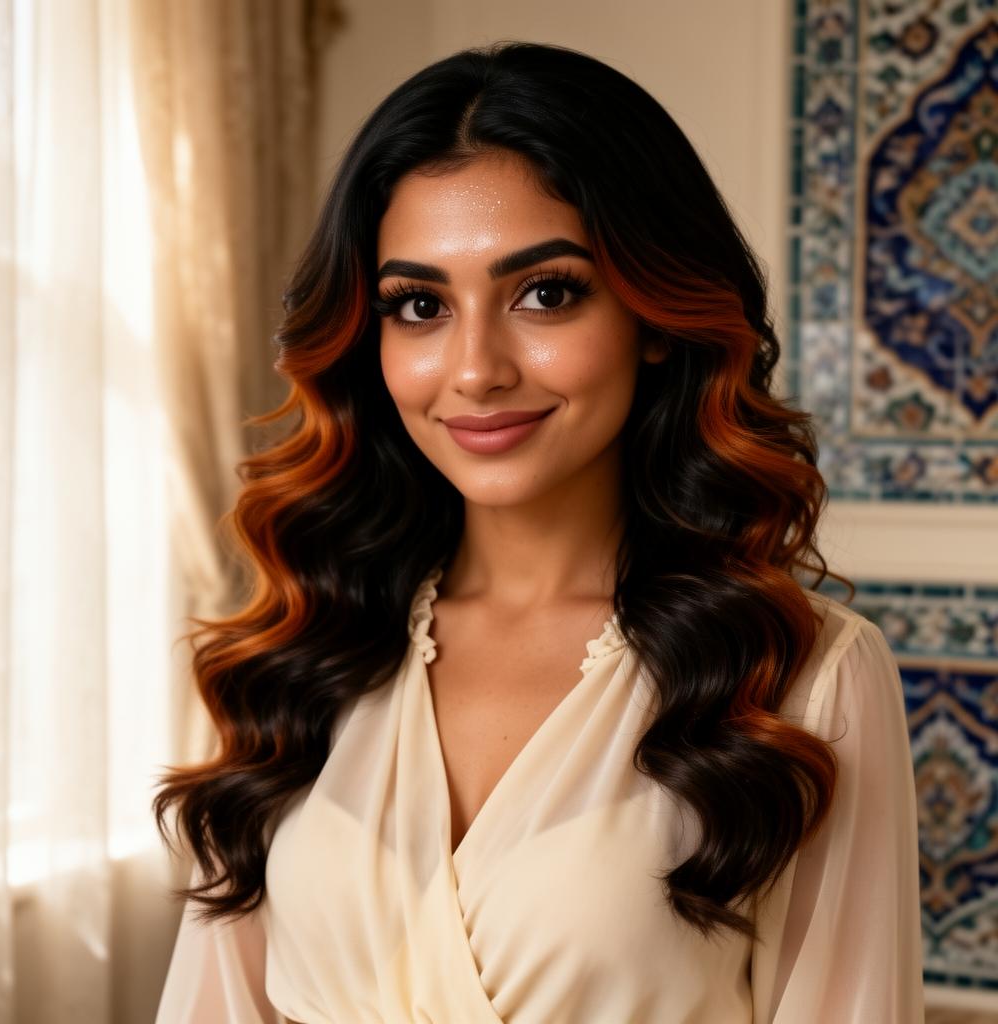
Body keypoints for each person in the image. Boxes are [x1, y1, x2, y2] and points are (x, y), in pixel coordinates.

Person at [153, 41, 924, 1023]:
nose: (475, 369)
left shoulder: (803, 676)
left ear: (655, 313)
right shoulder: (303, 648)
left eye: (545, 293)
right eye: (419, 305)